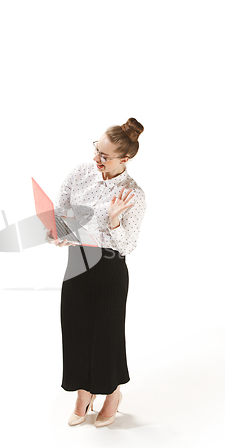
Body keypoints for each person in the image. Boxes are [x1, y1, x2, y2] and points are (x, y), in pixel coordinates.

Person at [45, 117, 147, 427]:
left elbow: (128, 245)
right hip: (78, 262)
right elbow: (58, 215)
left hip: (109, 267)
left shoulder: (133, 194)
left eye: (104, 156)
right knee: (75, 329)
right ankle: (84, 392)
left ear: (124, 159)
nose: (96, 159)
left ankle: (112, 392)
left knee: (106, 334)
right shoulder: (80, 174)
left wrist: (114, 221)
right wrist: (57, 234)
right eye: (96, 150)